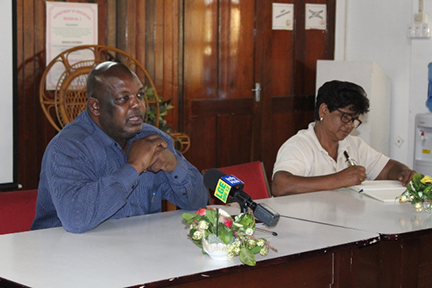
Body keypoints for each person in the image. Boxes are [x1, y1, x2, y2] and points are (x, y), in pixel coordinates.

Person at [31, 61, 208, 233]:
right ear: (95, 107)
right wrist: (134, 167)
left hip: (136, 253)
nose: (137, 104)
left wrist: (174, 165)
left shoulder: (153, 140)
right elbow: (76, 220)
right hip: (65, 255)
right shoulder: (68, 147)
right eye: (123, 99)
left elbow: (199, 202)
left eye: (139, 95)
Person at [271, 80, 416, 196]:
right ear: (324, 110)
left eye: (354, 120)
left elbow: (387, 168)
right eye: (345, 117)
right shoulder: (299, 146)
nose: (350, 126)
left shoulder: (354, 145)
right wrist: (339, 179)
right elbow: (280, 185)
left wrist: (404, 172)